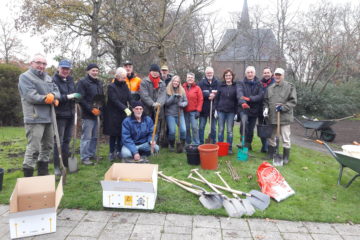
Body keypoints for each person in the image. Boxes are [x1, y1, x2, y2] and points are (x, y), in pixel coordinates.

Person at [18, 54, 60, 177]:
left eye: (44, 64)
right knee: (34, 148)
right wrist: (46, 98)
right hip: (34, 117)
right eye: (38, 63)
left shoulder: (47, 77)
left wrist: (53, 95)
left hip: (49, 117)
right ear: (31, 63)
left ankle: (43, 174)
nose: (41, 66)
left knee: (47, 146)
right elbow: (30, 96)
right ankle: (28, 176)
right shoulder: (25, 77)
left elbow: (57, 91)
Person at [52, 60, 81, 176]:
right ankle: (56, 166)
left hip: (70, 113)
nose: (65, 71)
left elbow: (73, 93)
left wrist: (76, 98)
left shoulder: (70, 80)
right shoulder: (54, 80)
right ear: (59, 68)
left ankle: (65, 163)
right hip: (60, 115)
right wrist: (70, 96)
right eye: (63, 68)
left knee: (67, 140)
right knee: (58, 141)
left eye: (67, 69)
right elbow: (56, 98)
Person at [263, 68, 297, 164]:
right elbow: (266, 101)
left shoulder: (289, 87)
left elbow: (293, 101)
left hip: (284, 118)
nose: (277, 76)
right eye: (276, 75)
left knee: (285, 138)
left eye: (279, 75)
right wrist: (265, 109)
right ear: (274, 75)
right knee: (271, 137)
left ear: (283, 76)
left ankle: (285, 157)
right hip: (272, 117)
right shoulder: (270, 88)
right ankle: (270, 154)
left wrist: (283, 108)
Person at [76, 63, 104, 165]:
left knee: (95, 136)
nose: (95, 72)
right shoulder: (83, 82)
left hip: (97, 114)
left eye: (97, 70)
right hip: (88, 115)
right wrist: (91, 109)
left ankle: (92, 154)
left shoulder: (99, 83)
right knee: (86, 137)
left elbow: (101, 97)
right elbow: (80, 98)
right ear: (88, 71)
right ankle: (84, 157)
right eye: (93, 70)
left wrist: (101, 110)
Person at [103, 67, 132, 161]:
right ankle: (111, 152)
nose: (124, 79)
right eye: (123, 77)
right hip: (112, 114)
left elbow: (129, 97)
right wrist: (125, 108)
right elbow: (114, 100)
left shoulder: (125, 86)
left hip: (122, 114)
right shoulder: (111, 86)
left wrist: (134, 106)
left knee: (121, 133)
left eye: (125, 77)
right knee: (113, 134)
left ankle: (119, 151)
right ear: (118, 77)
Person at [236, 66, 264, 150]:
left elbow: (260, 96)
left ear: (254, 73)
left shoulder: (259, 83)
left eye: (251, 72)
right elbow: (239, 93)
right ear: (246, 74)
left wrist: (250, 99)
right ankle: (242, 142)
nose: (250, 74)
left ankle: (248, 144)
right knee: (244, 124)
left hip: (254, 109)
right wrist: (243, 102)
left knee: (251, 128)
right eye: (248, 72)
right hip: (244, 108)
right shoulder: (241, 82)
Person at [215, 69, 237, 154]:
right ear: (224, 77)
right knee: (220, 130)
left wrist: (236, 112)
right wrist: (215, 110)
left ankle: (229, 148)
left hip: (231, 112)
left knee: (229, 131)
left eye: (230, 75)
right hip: (221, 111)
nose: (228, 77)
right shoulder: (220, 86)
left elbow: (237, 101)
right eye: (226, 75)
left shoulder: (235, 86)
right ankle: (220, 147)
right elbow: (217, 99)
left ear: (232, 77)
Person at [164, 75, 188, 151]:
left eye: (177, 81)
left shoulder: (182, 90)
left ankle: (182, 145)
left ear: (179, 82)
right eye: (174, 81)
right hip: (170, 114)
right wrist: (173, 96)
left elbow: (186, 101)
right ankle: (171, 144)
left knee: (183, 130)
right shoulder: (167, 90)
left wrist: (182, 104)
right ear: (172, 81)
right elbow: (166, 103)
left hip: (180, 113)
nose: (176, 83)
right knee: (172, 131)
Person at [198, 66, 219, 144]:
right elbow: (199, 93)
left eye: (210, 72)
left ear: (213, 73)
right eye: (207, 73)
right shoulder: (201, 83)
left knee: (213, 128)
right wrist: (208, 95)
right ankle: (201, 142)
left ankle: (213, 142)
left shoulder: (217, 82)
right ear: (205, 73)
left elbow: (220, 93)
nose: (209, 74)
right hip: (203, 109)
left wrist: (214, 96)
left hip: (213, 109)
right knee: (201, 127)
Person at [183, 72, 203, 145]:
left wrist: (198, 110)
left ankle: (196, 143)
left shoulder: (197, 88)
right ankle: (188, 143)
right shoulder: (182, 87)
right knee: (187, 128)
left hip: (194, 112)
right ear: (186, 78)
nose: (190, 79)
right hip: (185, 111)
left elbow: (200, 100)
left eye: (191, 77)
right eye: (188, 77)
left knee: (194, 128)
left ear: (194, 79)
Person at [258, 67, 275, 153]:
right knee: (262, 128)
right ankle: (264, 146)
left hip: (271, 110)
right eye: (265, 73)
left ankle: (271, 147)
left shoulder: (274, 83)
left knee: (270, 129)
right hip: (261, 109)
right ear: (263, 74)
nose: (266, 74)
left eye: (268, 72)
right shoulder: (260, 83)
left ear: (271, 74)